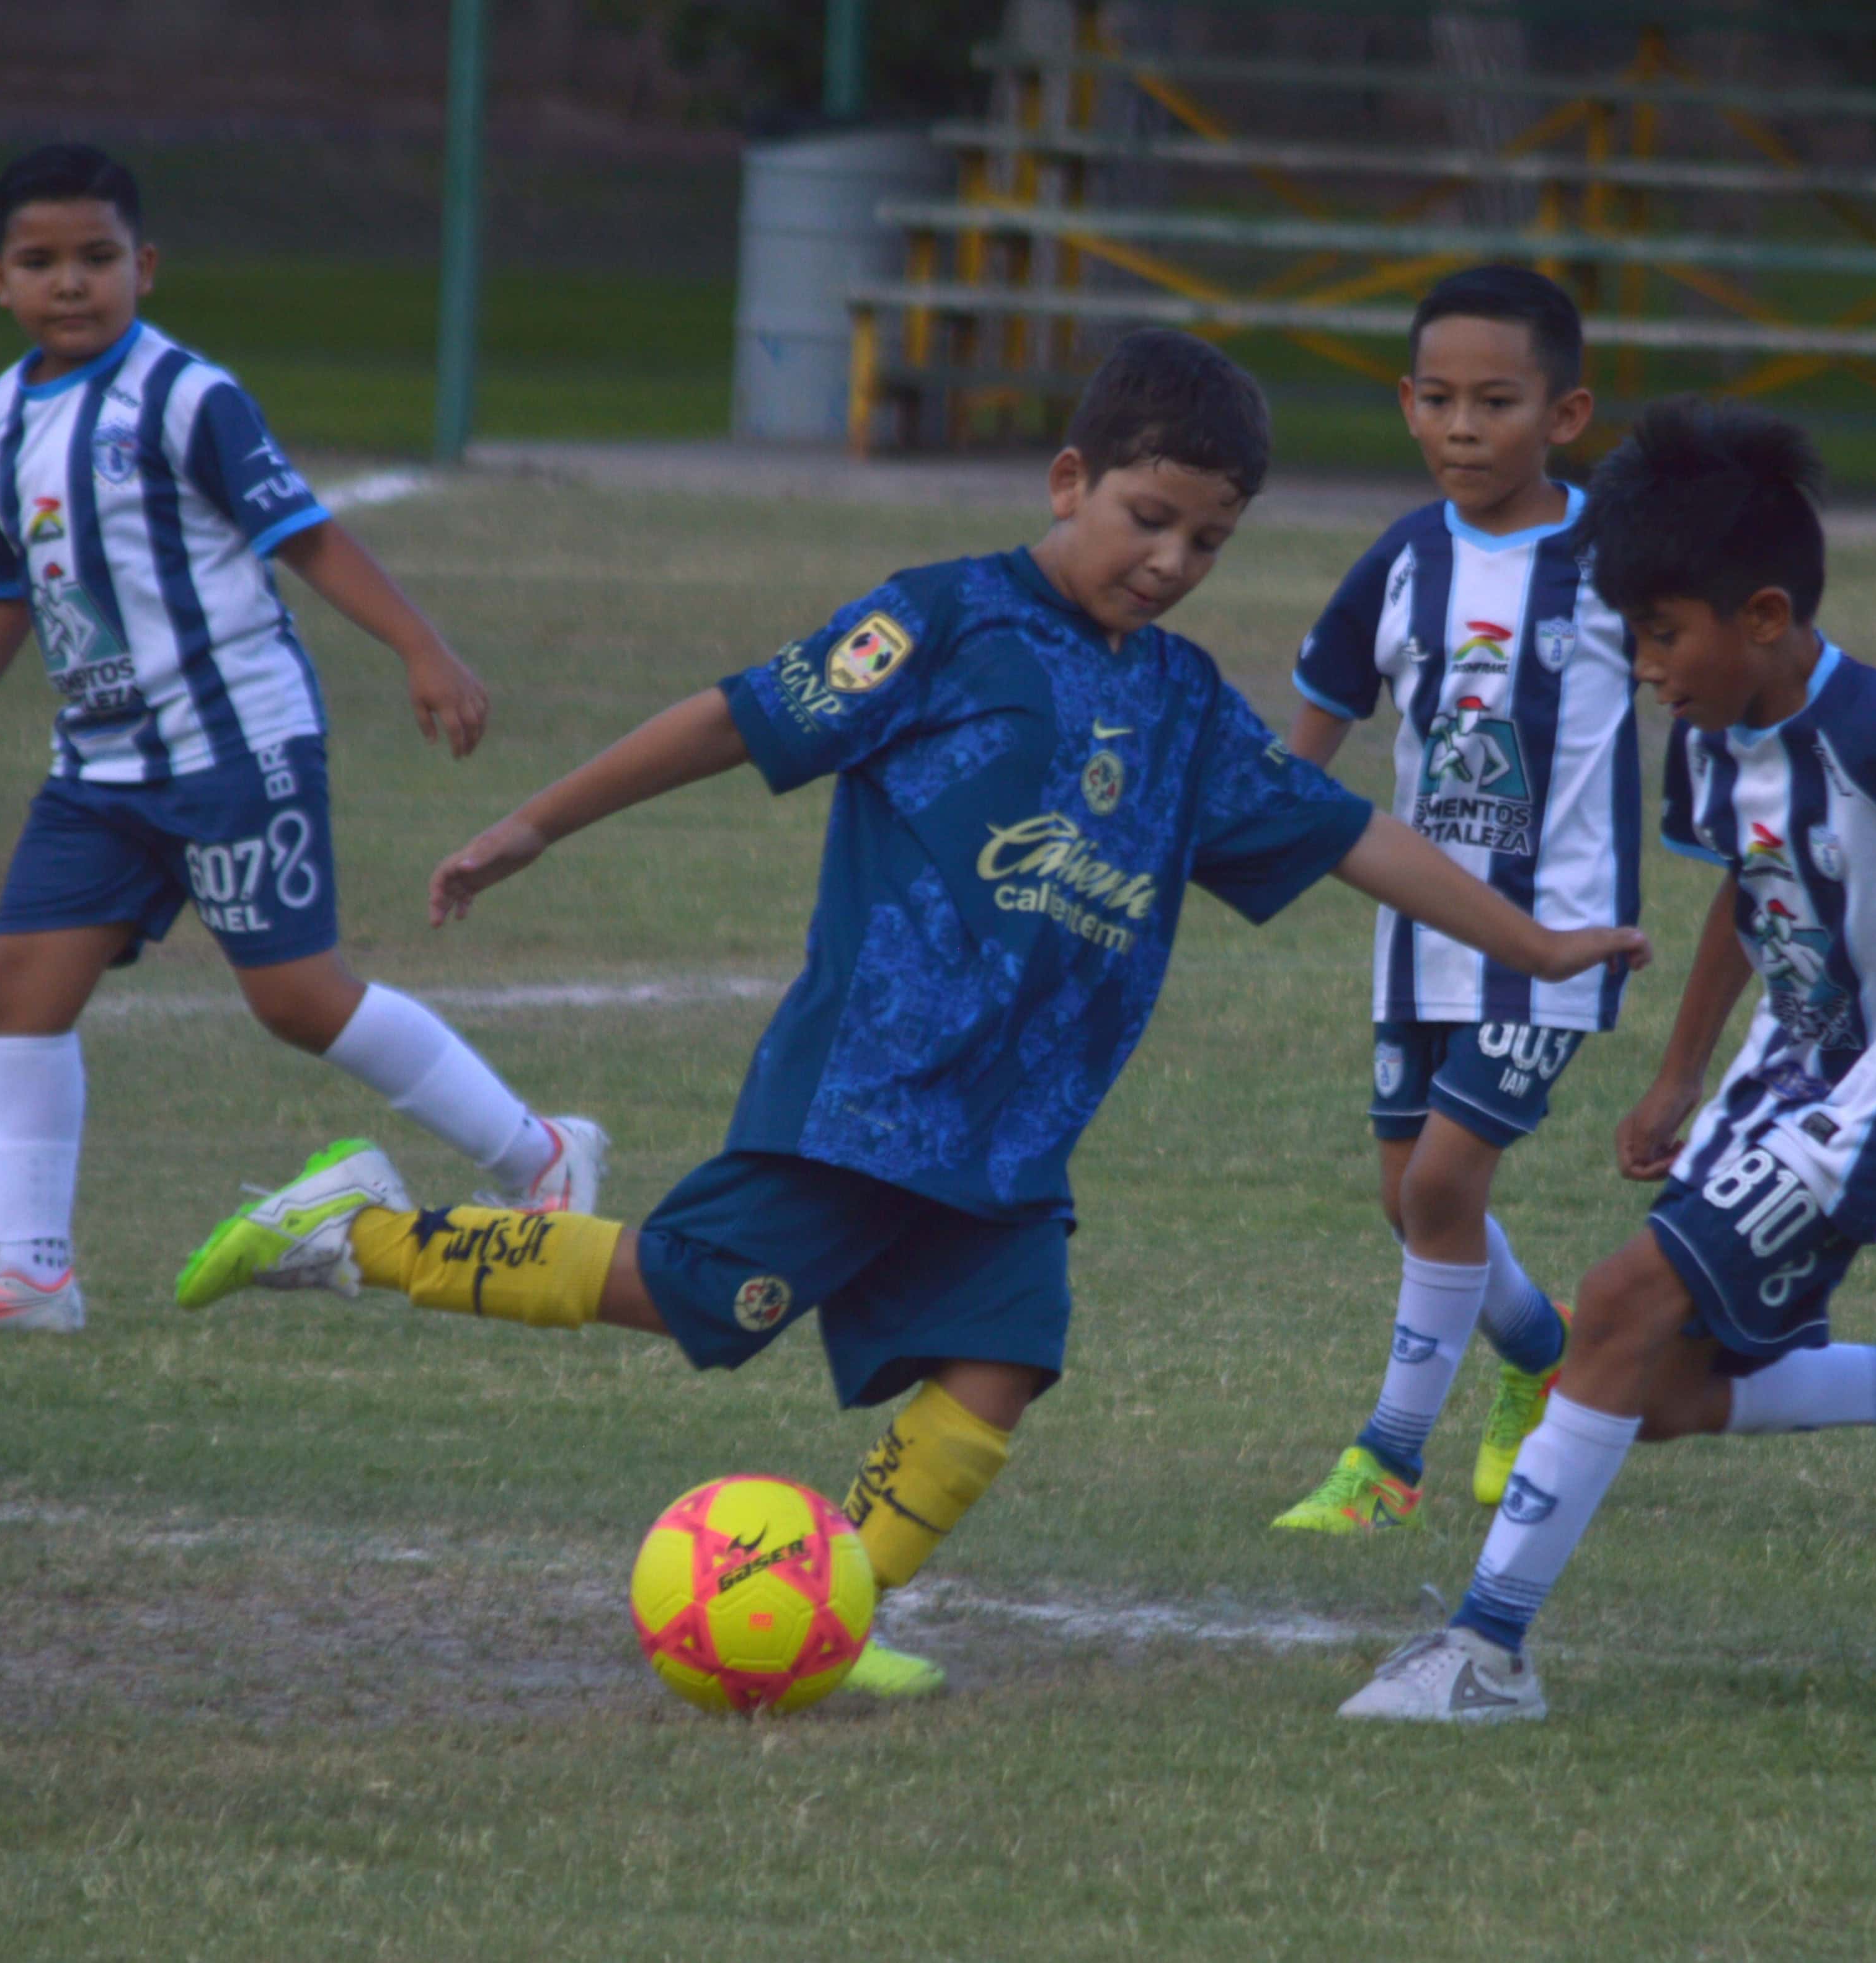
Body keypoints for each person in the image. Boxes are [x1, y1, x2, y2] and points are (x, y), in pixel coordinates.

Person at [170, 330, 1648, 1697]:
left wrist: (1536, 939)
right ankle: (349, 1230)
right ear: (1069, 481)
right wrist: (534, 824)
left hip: (1014, 1128)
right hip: (869, 1092)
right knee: (693, 1290)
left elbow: (1350, 835)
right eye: (1148, 517)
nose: (1173, 560)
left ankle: (839, 1603)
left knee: (1004, 1358)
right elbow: (736, 713)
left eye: (1210, 538)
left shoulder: (1191, 706)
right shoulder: (946, 621)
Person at [1338, 399, 1876, 1724]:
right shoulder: (1710, 731)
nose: (1646, 664)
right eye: (1634, 633)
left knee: (1616, 1305)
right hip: (1782, 1078)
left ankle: (1485, 1650)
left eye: (1662, 632)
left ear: (1763, 614)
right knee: (1658, 1393)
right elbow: (1745, 895)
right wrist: (1680, 1073)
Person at [0, 143, 598, 1334]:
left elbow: (304, 535)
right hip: (99, 767)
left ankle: (538, 1157)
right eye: (42, 262)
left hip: (234, 746)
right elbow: (5, 594)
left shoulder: (189, 396)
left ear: (145, 268)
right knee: (21, 983)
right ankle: (31, 1271)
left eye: (98, 259)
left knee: (299, 999)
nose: (71, 284)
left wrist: (422, 648)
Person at [1272, 268, 1637, 1535]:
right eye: (1437, 399)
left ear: (1567, 412)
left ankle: (1385, 1461)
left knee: (1439, 1188)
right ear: (1407, 405)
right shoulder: (1404, 560)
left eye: (1497, 400)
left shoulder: (1617, 564)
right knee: (1413, 1198)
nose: (1462, 428)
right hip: (1415, 934)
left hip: (1562, 940)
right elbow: (1307, 739)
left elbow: (1710, 694)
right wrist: (1223, 837)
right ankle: (1541, 1350)